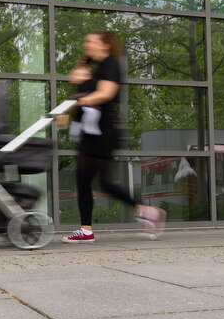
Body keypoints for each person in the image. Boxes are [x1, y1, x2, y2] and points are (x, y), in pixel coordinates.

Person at [57, 31, 165, 243]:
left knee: (100, 182)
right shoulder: (95, 68)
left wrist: (78, 102)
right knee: (86, 180)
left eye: (90, 41)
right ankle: (87, 229)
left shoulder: (111, 65)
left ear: (105, 45)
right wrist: (79, 78)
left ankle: (146, 212)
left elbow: (106, 93)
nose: (86, 44)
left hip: (102, 133)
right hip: (89, 132)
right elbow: (79, 86)